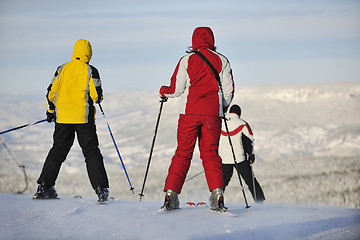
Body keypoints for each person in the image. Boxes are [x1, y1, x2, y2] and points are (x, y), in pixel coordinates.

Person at [159, 27, 235, 211]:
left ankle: (171, 195)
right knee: (210, 154)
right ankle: (217, 195)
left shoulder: (186, 60)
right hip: (212, 115)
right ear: (212, 40)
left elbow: (176, 89)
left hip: (189, 113)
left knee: (183, 153)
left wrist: (163, 91)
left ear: (193, 41)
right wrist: (222, 107)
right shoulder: (222, 60)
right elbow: (228, 91)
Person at [33, 39, 110, 202]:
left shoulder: (62, 69)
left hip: (63, 119)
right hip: (83, 118)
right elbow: (96, 95)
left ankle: (44, 188)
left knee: (58, 151)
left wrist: (50, 111)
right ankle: (101, 190)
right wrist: (100, 97)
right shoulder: (90, 70)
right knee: (91, 152)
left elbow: (51, 93)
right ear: (89, 53)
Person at [219, 104, 265, 202]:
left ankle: (215, 201)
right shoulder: (242, 124)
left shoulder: (220, 122)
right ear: (239, 113)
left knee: (221, 183)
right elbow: (249, 141)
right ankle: (260, 202)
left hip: (224, 159)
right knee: (250, 181)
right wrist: (251, 155)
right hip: (240, 158)